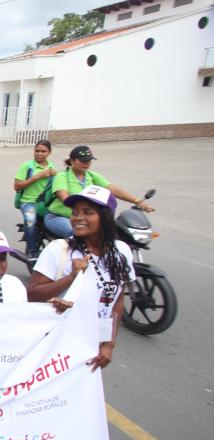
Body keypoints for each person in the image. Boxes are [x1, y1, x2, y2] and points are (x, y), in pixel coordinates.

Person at [29, 186, 135, 369]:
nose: (78, 218)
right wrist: (71, 277)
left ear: (105, 217)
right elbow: (33, 294)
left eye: (88, 212)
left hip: (90, 345)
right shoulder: (59, 249)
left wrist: (109, 344)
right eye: (75, 212)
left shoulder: (121, 252)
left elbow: (116, 301)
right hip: (53, 345)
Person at [43, 145, 154, 238]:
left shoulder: (92, 176)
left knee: (113, 233)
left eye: (89, 161)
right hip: (59, 217)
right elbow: (65, 199)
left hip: (85, 218)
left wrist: (137, 201)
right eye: (83, 161)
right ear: (72, 161)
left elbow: (113, 189)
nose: (86, 163)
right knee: (78, 234)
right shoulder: (62, 176)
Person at [14, 140, 57, 258]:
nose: (39, 153)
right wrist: (38, 176)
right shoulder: (27, 166)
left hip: (45, 204)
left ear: (49, 152)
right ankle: (33, 252)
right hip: (28, 202)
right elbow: (17, 186)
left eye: (43, 151)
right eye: (37, 151)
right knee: (30, 221)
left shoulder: (52, 168)